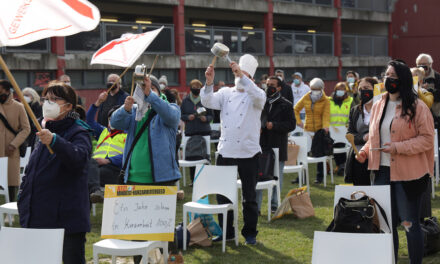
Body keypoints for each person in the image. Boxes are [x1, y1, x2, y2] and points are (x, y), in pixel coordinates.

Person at [356, 60, 434, 264]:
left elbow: (427, 139)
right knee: (385, 224)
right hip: (380, 171)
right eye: (386, 75)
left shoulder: (418, 106)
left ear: (403, 80)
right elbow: (375, 135)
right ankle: (391, 260)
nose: (387, 79)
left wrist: (398, 147)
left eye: (393, 76)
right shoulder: (378, 103)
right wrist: (365, 151)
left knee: (409, 224)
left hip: (408, 174)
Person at [18, 81, 92, 264]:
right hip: (38, 218)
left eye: (54, 99)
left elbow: (79, 160)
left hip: (66, 222)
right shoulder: (44, 131)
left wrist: (55, 141)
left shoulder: (79, 132)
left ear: (68, 106)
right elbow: (33, 171)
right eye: (45, 99)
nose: (47, 103)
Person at [111, 74, 181, 264]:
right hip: (134, 177)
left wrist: (151, 95)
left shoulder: (170, 108)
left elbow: (171, 116)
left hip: (162, 178)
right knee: (137, 228)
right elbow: (115, 123)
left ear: (157, 91)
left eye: (149, 89)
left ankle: (171, 257)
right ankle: (140, 261)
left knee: (163, 227)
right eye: (141, 90)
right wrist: (125, 108)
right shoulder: (134, 112)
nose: (145, 94)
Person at [201, 54, 266, 245]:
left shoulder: (257, 94)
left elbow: (257, 96)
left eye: (244, 74)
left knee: (249, 197)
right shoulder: (226, 93)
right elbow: (207, 101)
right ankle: (227, 232)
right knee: (223, 196)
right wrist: (209, 81)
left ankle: (250, 233)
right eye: (237, 73)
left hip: (249, 152)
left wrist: (242, 75)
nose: (239, 76)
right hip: (226, 151)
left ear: (251, 78)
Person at [257, 76, 296, 213]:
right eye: (267, 84)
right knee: (259, 177)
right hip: (262, 146)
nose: (269, 87)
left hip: (278, 145)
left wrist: (274, 126)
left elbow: (291, 125)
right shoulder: (260, 102)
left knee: (276, 177)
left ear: (279, 88)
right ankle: (256, 207)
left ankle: (274, 205)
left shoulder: (286, 104)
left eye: (272, 85)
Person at [86, 92, 127, 203]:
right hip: (95, 166)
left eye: (116, 118)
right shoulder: (103, 131)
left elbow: (129, 156)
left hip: (114, 169)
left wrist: (108, 160)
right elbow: (89, 121)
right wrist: (98, 103)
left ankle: (95, 191)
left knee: (86, 179)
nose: (112, 121)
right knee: (84, 176)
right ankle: (95, 193)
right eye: (110, 118)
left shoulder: (128, 135)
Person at [294, 78, 330, 184]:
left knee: (319, 154)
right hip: (307, 129)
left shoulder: (326, 100)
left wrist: (325, 127)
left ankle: (320, 177)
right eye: (313, 88)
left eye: (317, 89)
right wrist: (299, 122)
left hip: (320, 130)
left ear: (322, 88)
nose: (315, 90)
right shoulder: (306, 97)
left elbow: (326, 115)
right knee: (303, 154)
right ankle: (301, 176)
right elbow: (295, 109)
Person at [0, 80, 30, 202]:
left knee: (11, 180)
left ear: (8, 91)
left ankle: (11, 205)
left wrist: (14, 144)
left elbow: (26, 128)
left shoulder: (19, 107)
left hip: (11, 149)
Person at [344, 77, 377, 185]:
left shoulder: (383, 108)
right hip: (359, 155)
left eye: (367, 88)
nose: (363, 91)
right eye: (360, 89)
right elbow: (350, 133)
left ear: (375, 89)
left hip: (378, 154)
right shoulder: (355, 110)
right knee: (362, 189)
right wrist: (363, 137)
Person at [180, 79, 213, 184]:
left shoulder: (205, 100)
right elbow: (181, 115)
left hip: (204, 132)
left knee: (204, 155)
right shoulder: (185, 101)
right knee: (192, 155)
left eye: (197, 87)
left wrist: (206, 119)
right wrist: (187, 117)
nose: (195, 89)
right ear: (190, 88)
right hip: (190, 132)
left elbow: (211, 115)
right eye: (193, 87)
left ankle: (205, 178)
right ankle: (193, 180)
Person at [329, 82, 353, 176]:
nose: (340, 91)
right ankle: (339, 165)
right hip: (332, 130)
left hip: (344, 129)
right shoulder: (329, 100)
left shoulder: (350, 100)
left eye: (342, 90)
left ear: (346, 91)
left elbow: (351, 114)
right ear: (335, 90)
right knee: (335, 148)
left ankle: (342, 166)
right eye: (338, 89)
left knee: (342, 147)